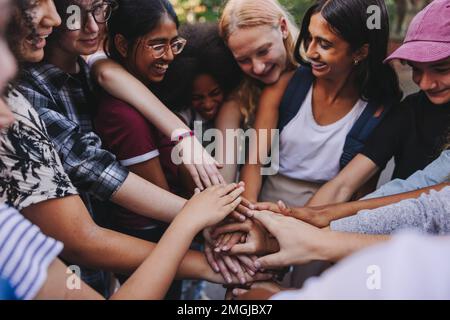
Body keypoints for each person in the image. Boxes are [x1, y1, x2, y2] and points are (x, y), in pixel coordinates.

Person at [2, 0, 264, 298]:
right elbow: (99, 178)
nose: (90, 26)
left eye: (99, 10)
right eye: (73, 13)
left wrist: (183, 136)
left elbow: (105, 71)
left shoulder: (94, 72)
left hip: (101, 270)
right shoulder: (25, 95)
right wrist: (211, 218)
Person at [307, 0, 450, 207]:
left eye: (442, 69)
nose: (425, 84)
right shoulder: (408, 111)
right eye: (416, 69)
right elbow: (344, 184)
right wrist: (296, 222)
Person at [215, 0, 299, 183]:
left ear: (283, 28)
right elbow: (224, 174)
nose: (258, 68)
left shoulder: (322, 73)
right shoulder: (238, 102)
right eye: (243, 60)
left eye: (263, 51)